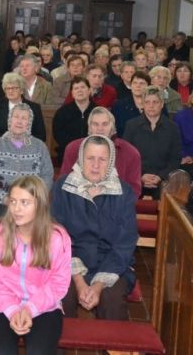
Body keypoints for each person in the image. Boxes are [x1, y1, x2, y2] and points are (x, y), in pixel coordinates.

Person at [0, 176, 71, 354]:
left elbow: (58, 282)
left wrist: (30, 309)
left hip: (44, 307)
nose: (16, 209)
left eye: (24, 202)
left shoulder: (58, 237)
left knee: (39, 351)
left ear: (40, 205)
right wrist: (12, 309)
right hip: (1, 305)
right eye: (13, 201)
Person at [53, 135, 138, 320]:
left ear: (111, 162)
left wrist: (98, 285)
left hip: (112, 264)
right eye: (90, 158)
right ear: (81, 159)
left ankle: (111, 341)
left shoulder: (124, 192)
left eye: (102, 159)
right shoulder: (63, 187)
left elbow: (125, 243)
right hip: (69, 262)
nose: (96, 165)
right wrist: (79, 281)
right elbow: (56, 238)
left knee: (113, 301)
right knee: (61, 297)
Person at [0, 104, 54, 234]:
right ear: (10, 120)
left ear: (29, 123)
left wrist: (31, 200)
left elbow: (47, 177)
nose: (19, 121)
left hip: (31, 205)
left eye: (24, 118)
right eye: (16, 117)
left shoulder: (40, 147)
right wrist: (6, 199)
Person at [60, 107, 142, 198]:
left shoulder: (130, 152)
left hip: (116, 203)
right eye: (95, 124)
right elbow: (64, 183)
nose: (100, 128)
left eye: (105, 124)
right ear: (89, 127)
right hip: (78, 202)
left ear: (112, 127)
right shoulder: (73, 148)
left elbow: (134, 190)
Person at [123, 87, 182, 199]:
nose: (151, 106)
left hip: (164, 181)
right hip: (136, 178)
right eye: (147, 102)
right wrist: (141, 175)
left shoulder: (172, 128)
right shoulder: (131, 126)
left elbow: (175, 158)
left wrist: (160, 177)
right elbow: (126, 157)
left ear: (162, 104)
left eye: (155, 102)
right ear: (143, 104)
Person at [0, 73, 46, 144]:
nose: (10, 91)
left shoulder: (34, 108)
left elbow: (41, 135)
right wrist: (0, 143)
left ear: (21, 90)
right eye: (7, 88)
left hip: (25, 147)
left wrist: (20, 144)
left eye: (14, 88)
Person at [53, 76, 96, 166]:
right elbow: (58, 135)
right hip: (68, 152)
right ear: (72, 93)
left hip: (93, 152)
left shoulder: (98, 111)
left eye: (82, 87)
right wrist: (75, 147)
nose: (80, 90)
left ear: (89, 90)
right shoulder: (62, 112)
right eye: (76, 88)